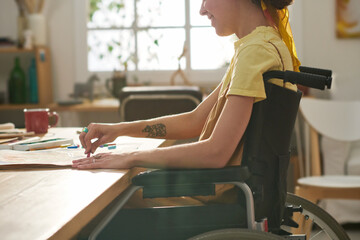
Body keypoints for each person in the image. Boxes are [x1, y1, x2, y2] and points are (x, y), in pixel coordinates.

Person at [72, 0, 300, 207]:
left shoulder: (256, 51)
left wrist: (131, 156)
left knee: (103, 202)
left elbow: (216, 153)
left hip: (218, 201)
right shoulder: (259, 45)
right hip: (223, 192)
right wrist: (119, 129)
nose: (201, 10)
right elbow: (196, 120)